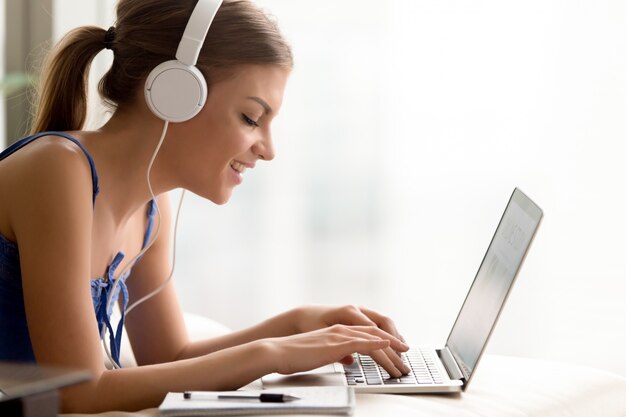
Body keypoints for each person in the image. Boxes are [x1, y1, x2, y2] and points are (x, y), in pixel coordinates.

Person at [0, 0, 410, 413]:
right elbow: (78, 394)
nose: (268, 150)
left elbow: (169, 357)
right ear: (176, 94)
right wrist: (271, 355)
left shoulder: (150, 207)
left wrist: (298, 323)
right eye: (251, 118)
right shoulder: (57, 171)